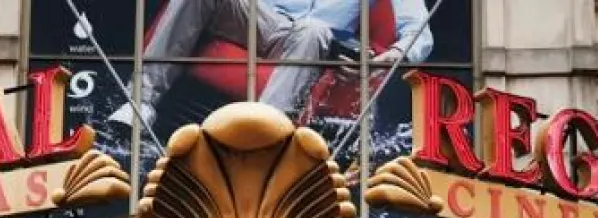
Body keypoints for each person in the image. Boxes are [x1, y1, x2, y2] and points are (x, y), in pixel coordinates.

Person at [109, 0, 436, 128]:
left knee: (313, 30)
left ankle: (264, 131)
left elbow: (418, 29)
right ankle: (141, 102)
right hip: (261, 19)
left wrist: (390, 56)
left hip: (317, 40)